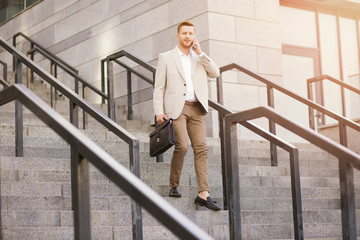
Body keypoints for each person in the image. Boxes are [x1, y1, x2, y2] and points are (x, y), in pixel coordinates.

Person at [153, 20, 220, 211]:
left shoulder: (199, 57)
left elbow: (215, 72)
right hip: (177, 109)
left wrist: (200, 52)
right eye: (184, 33)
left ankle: (203, 194)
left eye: (191, 33)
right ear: (178, 36)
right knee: (182, 145)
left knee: (201, 149)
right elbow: (158, 87)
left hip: (197, 108)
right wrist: (159, 111)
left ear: (194, 36)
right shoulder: (166, 57)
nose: (188, 36)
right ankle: (174, 184)